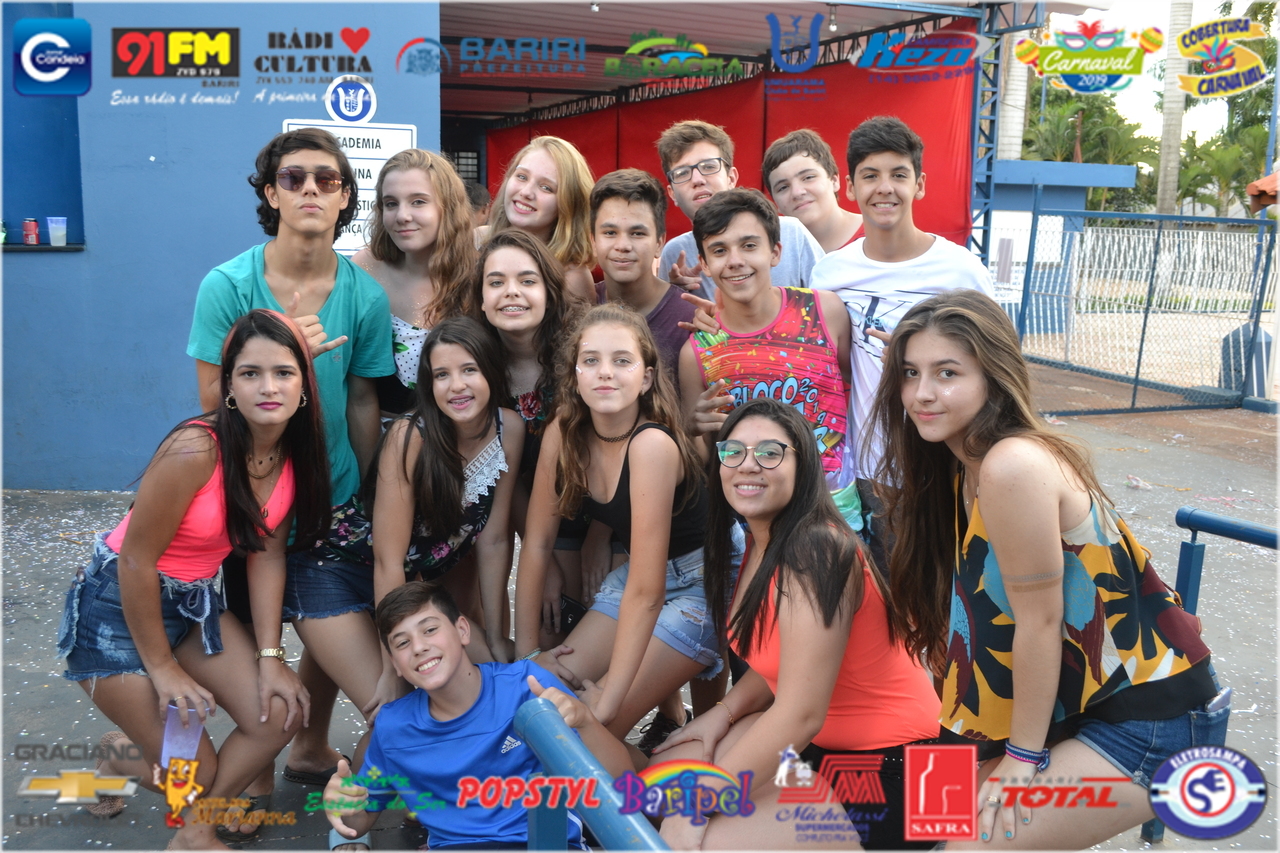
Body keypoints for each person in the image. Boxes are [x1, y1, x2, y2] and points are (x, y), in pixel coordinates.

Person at [870, 289, 1226, 848]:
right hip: (1057, 703)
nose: (922, 393)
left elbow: (1040, 621)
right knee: (926, 826)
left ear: (993, 376)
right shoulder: (963, 467)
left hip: (1144, 720)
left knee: (959, 847)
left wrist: (1021, 758)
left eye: (947, 373)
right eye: (911, 373)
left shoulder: (1012, 464)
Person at [57, 310, 330, 850]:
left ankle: (194, 828)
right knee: (195, 773)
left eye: (283, 372)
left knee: (281, 714)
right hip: (116, 610)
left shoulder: (292, 455)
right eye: (250, 373)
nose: (268, 387)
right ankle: (123, 760)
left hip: (193, 605)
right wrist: (162, 669)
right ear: (229, 386)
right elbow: (136, 562)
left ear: (304, 386)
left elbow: (267, 556)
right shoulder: (195, 448)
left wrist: (270, 657)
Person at [187, 127, 393, 831]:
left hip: (331, 493)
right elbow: (210, 398)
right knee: (254, 629)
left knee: (333, 618)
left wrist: (365, 490)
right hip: (250, 493)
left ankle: (306, 747)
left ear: (344, 199)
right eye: (294, 178)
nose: (310, 190)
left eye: (327, 180)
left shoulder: (363, 295)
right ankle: (254, 769)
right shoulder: (227, 285)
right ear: (271, 195)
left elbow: (363, 399)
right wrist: (285, 348)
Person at [651, 398, 941, 850]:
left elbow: (801, 714)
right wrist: (721, 715)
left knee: (698, 839)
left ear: (803, 466)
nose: (748, 465)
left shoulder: (817, 549)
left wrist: (701, 803)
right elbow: (785, 661)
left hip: (907, 772)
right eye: (733, 451)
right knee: (663, 782)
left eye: (770, 452)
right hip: (823, 749)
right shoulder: (761, 538)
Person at [286, 317, 525, 766]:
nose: (457, 386)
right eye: (441, 374)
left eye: (469, 370)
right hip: (333, 571)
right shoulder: (409, 436)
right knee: (398, 715)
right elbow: (388, 562)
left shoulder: (508, 428)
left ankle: (310, 752)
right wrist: (391, 666)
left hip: (404, 588)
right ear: (427, 384)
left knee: (492, 683)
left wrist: (496, 637)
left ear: (493, 372)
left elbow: (493, 541)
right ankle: (345, 804)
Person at [514, 304, 743, 743]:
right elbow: (538, 543)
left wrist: (607, 700)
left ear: (647, 377)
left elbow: (647, 592)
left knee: (593, 729)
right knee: (537, 696)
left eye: (622, 360)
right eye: (591, 360)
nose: (605, 372)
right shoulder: (564, 430)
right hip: (640, 577)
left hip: (705, 579)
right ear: (574, 375)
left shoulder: (651, 444)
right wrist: (526, 659)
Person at [808, 116, 994, 571]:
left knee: (953, 592)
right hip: (872, 471)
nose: (884, 188)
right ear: (850, 187)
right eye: (870, 175)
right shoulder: (829, 273)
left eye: (898, 174)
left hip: (949, 464)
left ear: (920, 184)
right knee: (888, 595)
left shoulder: (962, 270)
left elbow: (996, 367)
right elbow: (824, 365)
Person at [322, 581, 612, 851]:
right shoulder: (394, 726)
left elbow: (619, 783)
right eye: (402, 643)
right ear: (395, 663)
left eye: (429, 629)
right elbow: (357, 823)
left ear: (462, 630)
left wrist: (585, 722)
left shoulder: (528, 685)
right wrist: (342, 803)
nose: (419, 647)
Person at [678, 188, 859, 529]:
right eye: (719, 250)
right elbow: (703, 456)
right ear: (704, 264)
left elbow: (861, 392)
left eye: (749, 245)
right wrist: (690, 429)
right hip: (751, 521)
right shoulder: (697, 352)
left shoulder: (824, 311)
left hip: (834, 513)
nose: (735, 260)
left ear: (775, 252)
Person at [464, 229, 596, 650]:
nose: (511, 292)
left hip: (602, 512)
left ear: (550, 292)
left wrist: (602, 537)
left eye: (527, 280)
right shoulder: (477, 368)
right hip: (534, 517)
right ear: (481, 298)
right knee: (550, 628)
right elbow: (508, 474)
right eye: (496, 282)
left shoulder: (583, 353)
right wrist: (544, 563)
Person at [352, 149, 477, 419]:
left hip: (463, 435)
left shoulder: (480, 275)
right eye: (391, 203)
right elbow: (358, 390)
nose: (402, 216)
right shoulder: (365, 268)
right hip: (383, 433)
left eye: (418, 202)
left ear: (448, 207)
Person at [655, 120, 823, 298]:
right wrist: (676, 296)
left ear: (731, 178)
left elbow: (829, 302)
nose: (697, 180)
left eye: (709, 166)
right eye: (682, 173)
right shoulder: (674, 254)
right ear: (672, 194)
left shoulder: (791, 233)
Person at [590, 168, 695, 376]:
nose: (623, 245)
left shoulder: (689, 320)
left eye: (637, 233)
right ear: (593, 241)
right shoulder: (580, 306)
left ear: (659, 243)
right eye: (610, 233)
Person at [481, 135, 596, 303]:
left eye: (546, 187)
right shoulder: (477, 243)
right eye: (521, 177)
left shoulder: (572, 279)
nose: (526, 192)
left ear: (569, 204)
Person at [762, 129, 863, 252]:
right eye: (783, 187)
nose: (797, 192)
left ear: (834, 181)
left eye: (808, 178)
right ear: (775, 203)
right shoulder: (773, 255)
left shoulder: (878, 233)